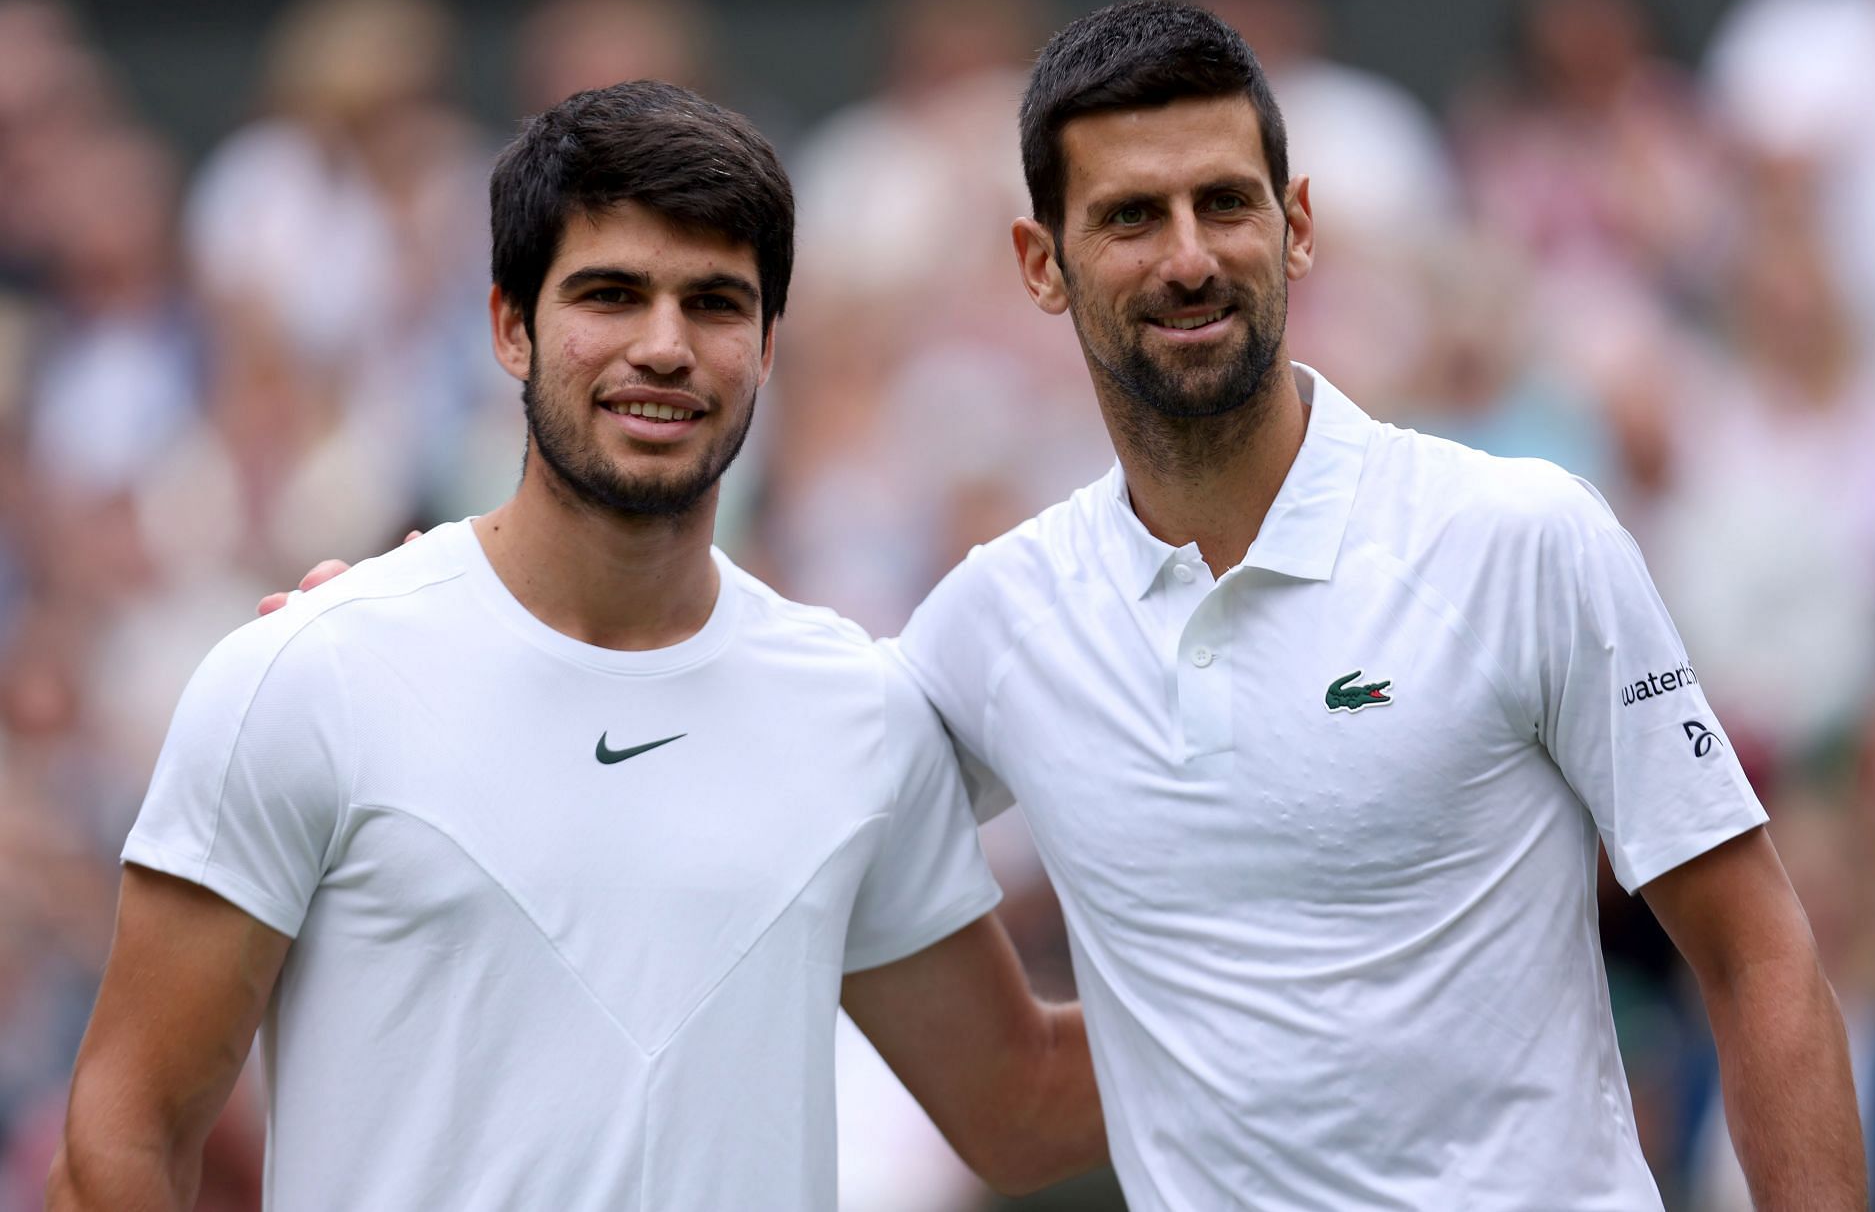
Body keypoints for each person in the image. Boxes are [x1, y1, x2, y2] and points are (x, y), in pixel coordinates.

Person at [49, 81, 1104, 1211]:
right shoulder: (306, 676)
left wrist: (1302, 956)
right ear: (511, 325)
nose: (664, 345)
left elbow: (1017, 1104)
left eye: (713, 303)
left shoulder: (858, 709)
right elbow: (121, 1141)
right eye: (611, 293)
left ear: (766, 344)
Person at [890, 1, 1865, 1208]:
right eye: (1132, 216)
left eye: (1226, 203)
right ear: (1043, 264)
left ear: (1296, 228)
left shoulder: (1520, 535)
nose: (1189, 256)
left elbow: (1758, 952)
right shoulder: (994, 622)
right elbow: (1007, 1104)